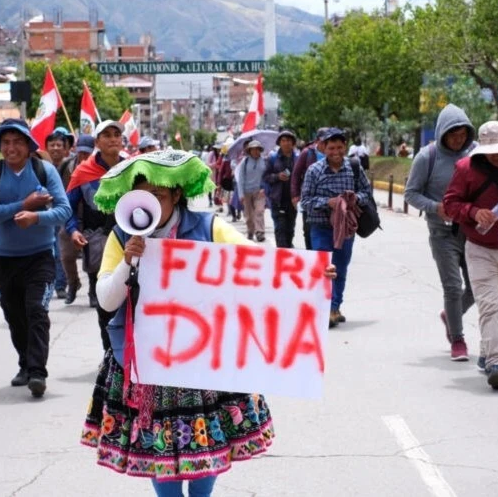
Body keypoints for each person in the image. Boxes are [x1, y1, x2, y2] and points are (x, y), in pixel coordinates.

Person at [80, 149, 335, 497]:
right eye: (142, 196)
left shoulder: (209, 226)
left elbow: (258, 264)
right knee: (161, 453)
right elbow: (107, 300)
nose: (150, 204)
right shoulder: (121, 237)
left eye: (159, 195)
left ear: (177, 196)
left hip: (206, 362)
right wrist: (127, 263)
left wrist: (309, 275)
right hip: (151, 366)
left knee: (209, 449)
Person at [0, 118, 71, 398]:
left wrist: (36, 217)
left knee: (36, 312)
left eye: (17, 142)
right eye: (5, 142)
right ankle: (25, 364)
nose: (11, 148)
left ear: (29, 145)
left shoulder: (45, 171)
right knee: (16, 318)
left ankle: (37, 372)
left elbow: (64, 211)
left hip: (40, 259)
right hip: (4, 261)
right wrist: (25, 205)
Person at [443, 121, 498, 390]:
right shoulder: (465, 169)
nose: (497, 155)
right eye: (492, 150)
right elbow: (450, 204)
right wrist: (472, 212)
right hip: (480, 247)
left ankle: (486, 349)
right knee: (489, 305)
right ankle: (497, 362)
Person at [404, 104, 477, 361]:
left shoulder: (475, 153)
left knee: (477, 287)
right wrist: (435, 207)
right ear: (442, 132)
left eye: (462, 133)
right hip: (442, 232)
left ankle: (451, 315)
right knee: (453, 287)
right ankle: (458, 339)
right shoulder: (427, 157)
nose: (458, 138)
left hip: (472, 231)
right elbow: (410, 193)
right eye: (452, 133)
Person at [300, 128, 373, 328]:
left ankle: (334, 307)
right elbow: (305, 202)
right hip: (320, 227)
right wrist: (329, 202)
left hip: (346, 228)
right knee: (325, 269)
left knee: (340, 268)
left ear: (345, 147)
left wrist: (354, 199)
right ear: (324, 148)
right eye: (331, 147)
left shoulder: (354, 168)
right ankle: (325, 308)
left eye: (339, 147)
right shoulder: (314, 171)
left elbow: (367, 192)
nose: (336, 151)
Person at [65, 121, 126, 348]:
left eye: (116, 134)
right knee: (106, 303)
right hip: (98, 242)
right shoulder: (83, 172)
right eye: (106, 135)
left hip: (129, 242)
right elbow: (68, 206)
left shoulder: (133, 168)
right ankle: (109, 353)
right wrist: (72, 231)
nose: (112, 139)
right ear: (97, 142)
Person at [57, 134, 93, 306]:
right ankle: (73, 282)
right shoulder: (67, 166)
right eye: (81, 153)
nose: (83, 157)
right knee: (66, 255)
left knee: (93, 256)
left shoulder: (99, 169)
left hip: (91, 217)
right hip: (69, 215)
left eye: (88, 153)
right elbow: (56, 186)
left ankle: (94, 289)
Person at [45, 128, 75, 301]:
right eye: (52, 145)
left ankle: (62, 284)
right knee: (51, 251)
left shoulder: (70, 166)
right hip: (46, 214)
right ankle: (58, 284)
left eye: (59, 145)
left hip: (64, 214)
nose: (55, 148)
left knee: (61, 252)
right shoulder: (41, 166)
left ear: (65, 149)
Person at [292, 129, 328, 250]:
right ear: (318, 141)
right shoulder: (307, 153)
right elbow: (296, 174)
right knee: (308, 230)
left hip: (329, 200)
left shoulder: (333, 153)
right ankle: (311, 254)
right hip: (310, 198)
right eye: (324, 141)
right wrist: (295, 195)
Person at [264, 130, 299, 248]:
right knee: (280, 228)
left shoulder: (298, 158)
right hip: (277, 200)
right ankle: (282, 254)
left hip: (293, 200)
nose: (286, 143)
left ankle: (288, 249)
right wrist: (277, 176)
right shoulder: (272, 158)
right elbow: (265, 176)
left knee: (290, 229)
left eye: (288, 140)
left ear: (293, 143)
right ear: (279, 143)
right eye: (283, 141)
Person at [235, 140, 268, 242]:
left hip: (259, 191)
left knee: (259, 211)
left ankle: (260, 232)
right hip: (246, 192)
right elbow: (240, 179)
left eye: (257, 149)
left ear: (260, 150)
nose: (255, 151)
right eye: (253, 149)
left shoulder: (265, 161)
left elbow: (267, 177)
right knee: (249, 216)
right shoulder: (244, 162)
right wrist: (241, 194)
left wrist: (265, 188)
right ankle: (250, 230)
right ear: (249, 150)